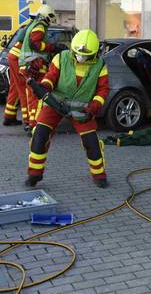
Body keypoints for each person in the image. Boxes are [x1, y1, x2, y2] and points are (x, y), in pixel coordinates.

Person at [25, 29, 109, 188]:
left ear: (95, 53)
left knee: (91, 142)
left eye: (86, 55)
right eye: (78, 53)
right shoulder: (61, 58)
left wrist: (93, 108)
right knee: (40, 135)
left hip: (83, 110)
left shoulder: (100, 66)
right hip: (54, 103)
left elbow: (103, 90)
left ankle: (99, 175)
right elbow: (51, 78)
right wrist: (43, 87)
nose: (81, 57)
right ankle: (34, 175)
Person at [19, 4, 67, 129]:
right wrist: (53, 47)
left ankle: (31, 124)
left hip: (27, 66)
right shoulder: (40, 26)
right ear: (47, 16)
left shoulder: (34, 24)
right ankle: (36, 125)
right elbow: (36, 44)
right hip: (35, 66)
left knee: (31, 97)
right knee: (40, 96)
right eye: (51, 17)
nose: (51, 20)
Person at [3, 24, 30, 127]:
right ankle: (28, 121)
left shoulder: (30, 25)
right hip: (18, 57)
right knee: (23, 88)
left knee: (15, 87)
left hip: (13, 54)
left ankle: (9, 117)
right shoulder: (39, 29)